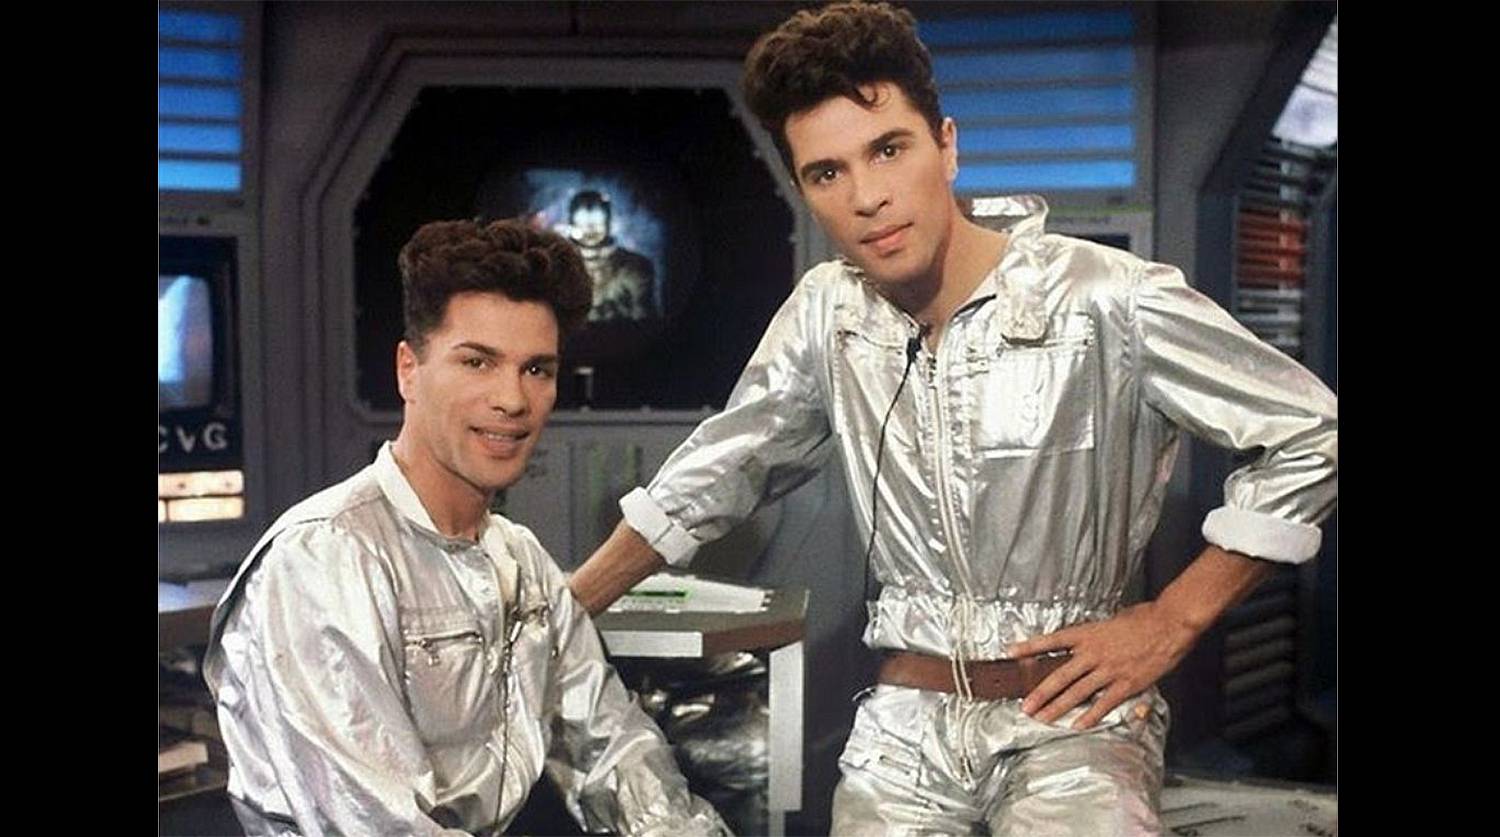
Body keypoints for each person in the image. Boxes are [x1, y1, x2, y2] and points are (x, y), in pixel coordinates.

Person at [567, 2, 1337, 834]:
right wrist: (561, 610)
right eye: (827, 173)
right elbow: (715, 474)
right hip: (903, 733)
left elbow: (1313, 432)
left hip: (1074, 724)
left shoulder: (1106, 298)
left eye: (888, 149)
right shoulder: (828, 314)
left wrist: (1170, 619)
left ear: (948, 145)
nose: (868, 197)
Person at [202, 219, 728, 836]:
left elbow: (612, 747)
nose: (512, 399)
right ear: (408, 369)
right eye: (478, 362)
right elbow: (377, 826)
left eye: (537, 370)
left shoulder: (521, 561)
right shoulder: (322, 559)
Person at [566, 189, 658, 322]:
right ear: (572, 224)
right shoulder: (558, 266)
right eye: (582, 224)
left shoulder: (634, 267)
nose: (590, 230)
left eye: (597, 224)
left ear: (608, 224)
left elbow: (646, 321)